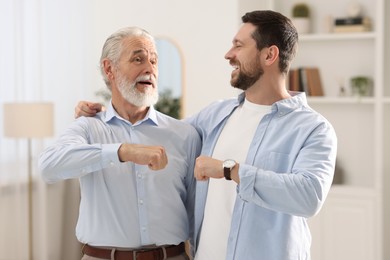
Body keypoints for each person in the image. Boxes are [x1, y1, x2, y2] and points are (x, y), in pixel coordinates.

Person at [75, 10, 337, 260]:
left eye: (238, 45)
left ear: (269, 55)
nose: (228, 54)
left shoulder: (312, 128)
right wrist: (108, 114)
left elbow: (308, 196)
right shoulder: (215, 115)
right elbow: (162, 136)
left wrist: (228, 170)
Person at [39, 26, 201, 260]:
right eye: (138, 59)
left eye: (154, 61)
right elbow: (48, 167)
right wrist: (122, 151)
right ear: (109, 68)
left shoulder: (184, 134)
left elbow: (197, 214)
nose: (149, 69)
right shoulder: (87, 128)